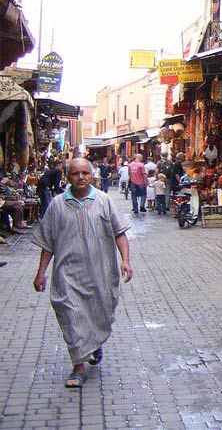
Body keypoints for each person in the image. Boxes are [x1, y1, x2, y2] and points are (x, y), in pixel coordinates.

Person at [31, 158, 132, 388]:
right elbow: (48, 242)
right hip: (67, 274)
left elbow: (119, 232)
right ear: (67, 176)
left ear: (92, 175)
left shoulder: (104, 201)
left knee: (99, 314)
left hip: (101, 274)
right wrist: (41, 273)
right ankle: (78, 366)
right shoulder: (57, 205)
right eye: (75, 173)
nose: (81, 177)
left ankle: (94, 344)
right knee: (71, 316)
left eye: (85, 173)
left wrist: (125, 260)